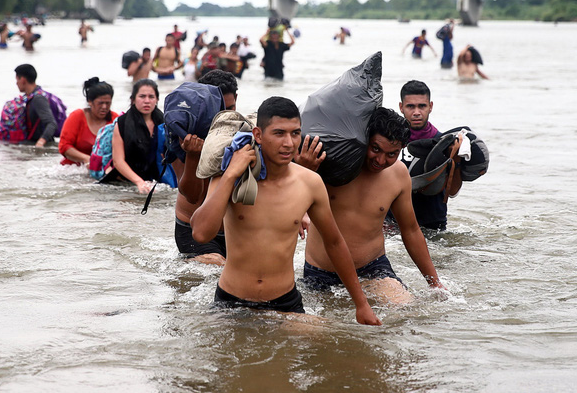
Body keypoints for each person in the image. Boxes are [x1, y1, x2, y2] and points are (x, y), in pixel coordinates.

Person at [190, 96, 381, 325]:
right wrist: (231, 174)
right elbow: (201, 233)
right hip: (231, 302)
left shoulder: (309, 183)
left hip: (284, 302)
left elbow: (334, 243)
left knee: (330, 343)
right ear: (258, 135)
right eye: (279, 133)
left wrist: (361, 305)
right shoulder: (232, 177)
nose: (289, 143)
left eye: (295, 133)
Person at [301, 107, 446, 305]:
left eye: (391, 154)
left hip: (372, 268)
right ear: (364, 139)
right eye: (375, 149)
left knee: (406, 310)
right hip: (321, 272)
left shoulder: (398, 174)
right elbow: (286, 201)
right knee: (326, 331)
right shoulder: (331, 165)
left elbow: (411, 230)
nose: (380, 160)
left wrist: (434, 283)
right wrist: (305, 173)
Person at [169, 70, 238, 265]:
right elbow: (192, 195)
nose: (225, 117)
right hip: (192, 229)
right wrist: (193, 155)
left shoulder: (245, 130)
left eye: (230, 108)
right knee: (216, 268)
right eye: (218, 111)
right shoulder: (184, 132)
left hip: (235, 231)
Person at [398, 80, 448, 233]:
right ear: (401, 107)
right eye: (410, 106)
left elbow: (452, 191)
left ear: (430, 106)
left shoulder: (443, 144)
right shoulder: (390, 141)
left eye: (422, 106)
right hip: (394, 221)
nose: (416, 112)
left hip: (432, 224)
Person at [110, 79, 164, 194]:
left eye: (151, 97)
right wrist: (139, 182)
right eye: (142, 96)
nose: (147, 101)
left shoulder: (164, 122)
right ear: (133, 99)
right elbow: (118, 161)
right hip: (125, 181)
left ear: (157, 100)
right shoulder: (122, 123)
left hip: (156, 179)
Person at [58, 77, 117, 166]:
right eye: (100, 103)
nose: (104, 107)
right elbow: (64, 147)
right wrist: (87, 159)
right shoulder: (77, 117)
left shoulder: (115, 120)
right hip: (73, 169)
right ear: (90, 102)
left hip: (102, 168)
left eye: (108, 103)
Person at [14, 64, 57, 147]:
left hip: (41, 145)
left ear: (23, 80)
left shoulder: (38, 98)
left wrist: (41, 142)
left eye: (17, 80)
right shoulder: (29, 97)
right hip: (30, 143)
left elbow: (52, 123)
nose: (16, 83)